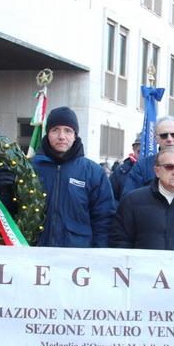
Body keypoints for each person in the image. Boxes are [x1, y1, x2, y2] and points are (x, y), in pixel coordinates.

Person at [32, 106, 115, 249]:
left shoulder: (94, 172)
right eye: (55, 130)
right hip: (34, 253)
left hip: (77, 257)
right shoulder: (30, 168)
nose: (61, 136)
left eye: (68, 130)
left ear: (75, 135)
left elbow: (104, 220)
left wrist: (99, 255)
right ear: (47, 133)